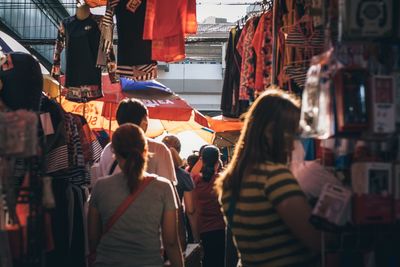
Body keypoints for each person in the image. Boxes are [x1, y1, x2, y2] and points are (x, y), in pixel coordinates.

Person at [215, 88, 321, 267]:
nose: (294, 143)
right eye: (292, 133)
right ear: (271, 132)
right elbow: (316, 241)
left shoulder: (231, 180)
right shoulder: (274, 177)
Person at [88, 124, 183, 267]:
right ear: (146, 150)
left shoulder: (100, 187)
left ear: (114, 151)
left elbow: (93, 240)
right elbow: (171, 242)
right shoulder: (163, 187)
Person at [97, 98, 176, 183]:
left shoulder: (108, 150)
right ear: (144, 120)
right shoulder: (159, 150)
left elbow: (101, 184)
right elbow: (168, 185)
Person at [162, 135, 200, 243]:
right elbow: (191, 210)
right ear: (179, 151)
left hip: (153, 232)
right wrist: (196, 239)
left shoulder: (151, 172)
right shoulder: (184, 176)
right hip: (177, 231)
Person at [192, 145, 226, 267]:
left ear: (202, 161)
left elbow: (192, 210)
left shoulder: (195, 180)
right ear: (218, 161)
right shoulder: (222, 180)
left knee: (207, 262)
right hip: (220, 228)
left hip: (202, 229)